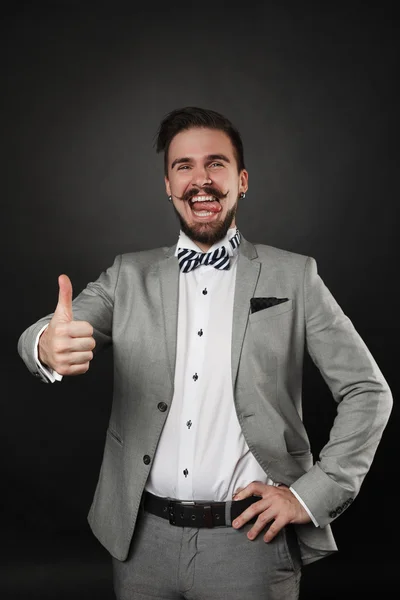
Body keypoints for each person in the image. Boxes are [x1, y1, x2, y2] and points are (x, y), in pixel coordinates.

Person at [18, 106, 392, 600]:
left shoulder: (294, 277)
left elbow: (368, 391)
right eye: (184, 166)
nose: (201, 179)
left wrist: (309, 495)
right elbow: (52, 330)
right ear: (168, 187)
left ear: (241, 180)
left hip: (252, 545)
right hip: (140, 542)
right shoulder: (126, 276)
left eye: (216, 164)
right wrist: (47, 343)